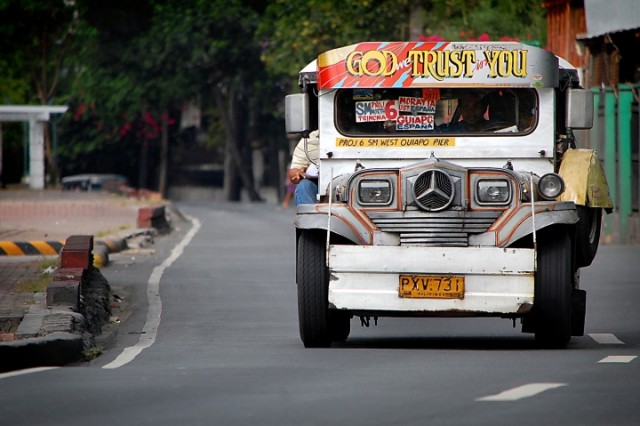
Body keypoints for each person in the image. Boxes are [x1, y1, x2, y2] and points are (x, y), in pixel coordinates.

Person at [287, 130, 319, 205]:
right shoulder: (309, 140)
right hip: (318, 182)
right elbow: (294, 172)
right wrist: (298, 173)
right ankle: (309, 216)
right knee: (304, 186)